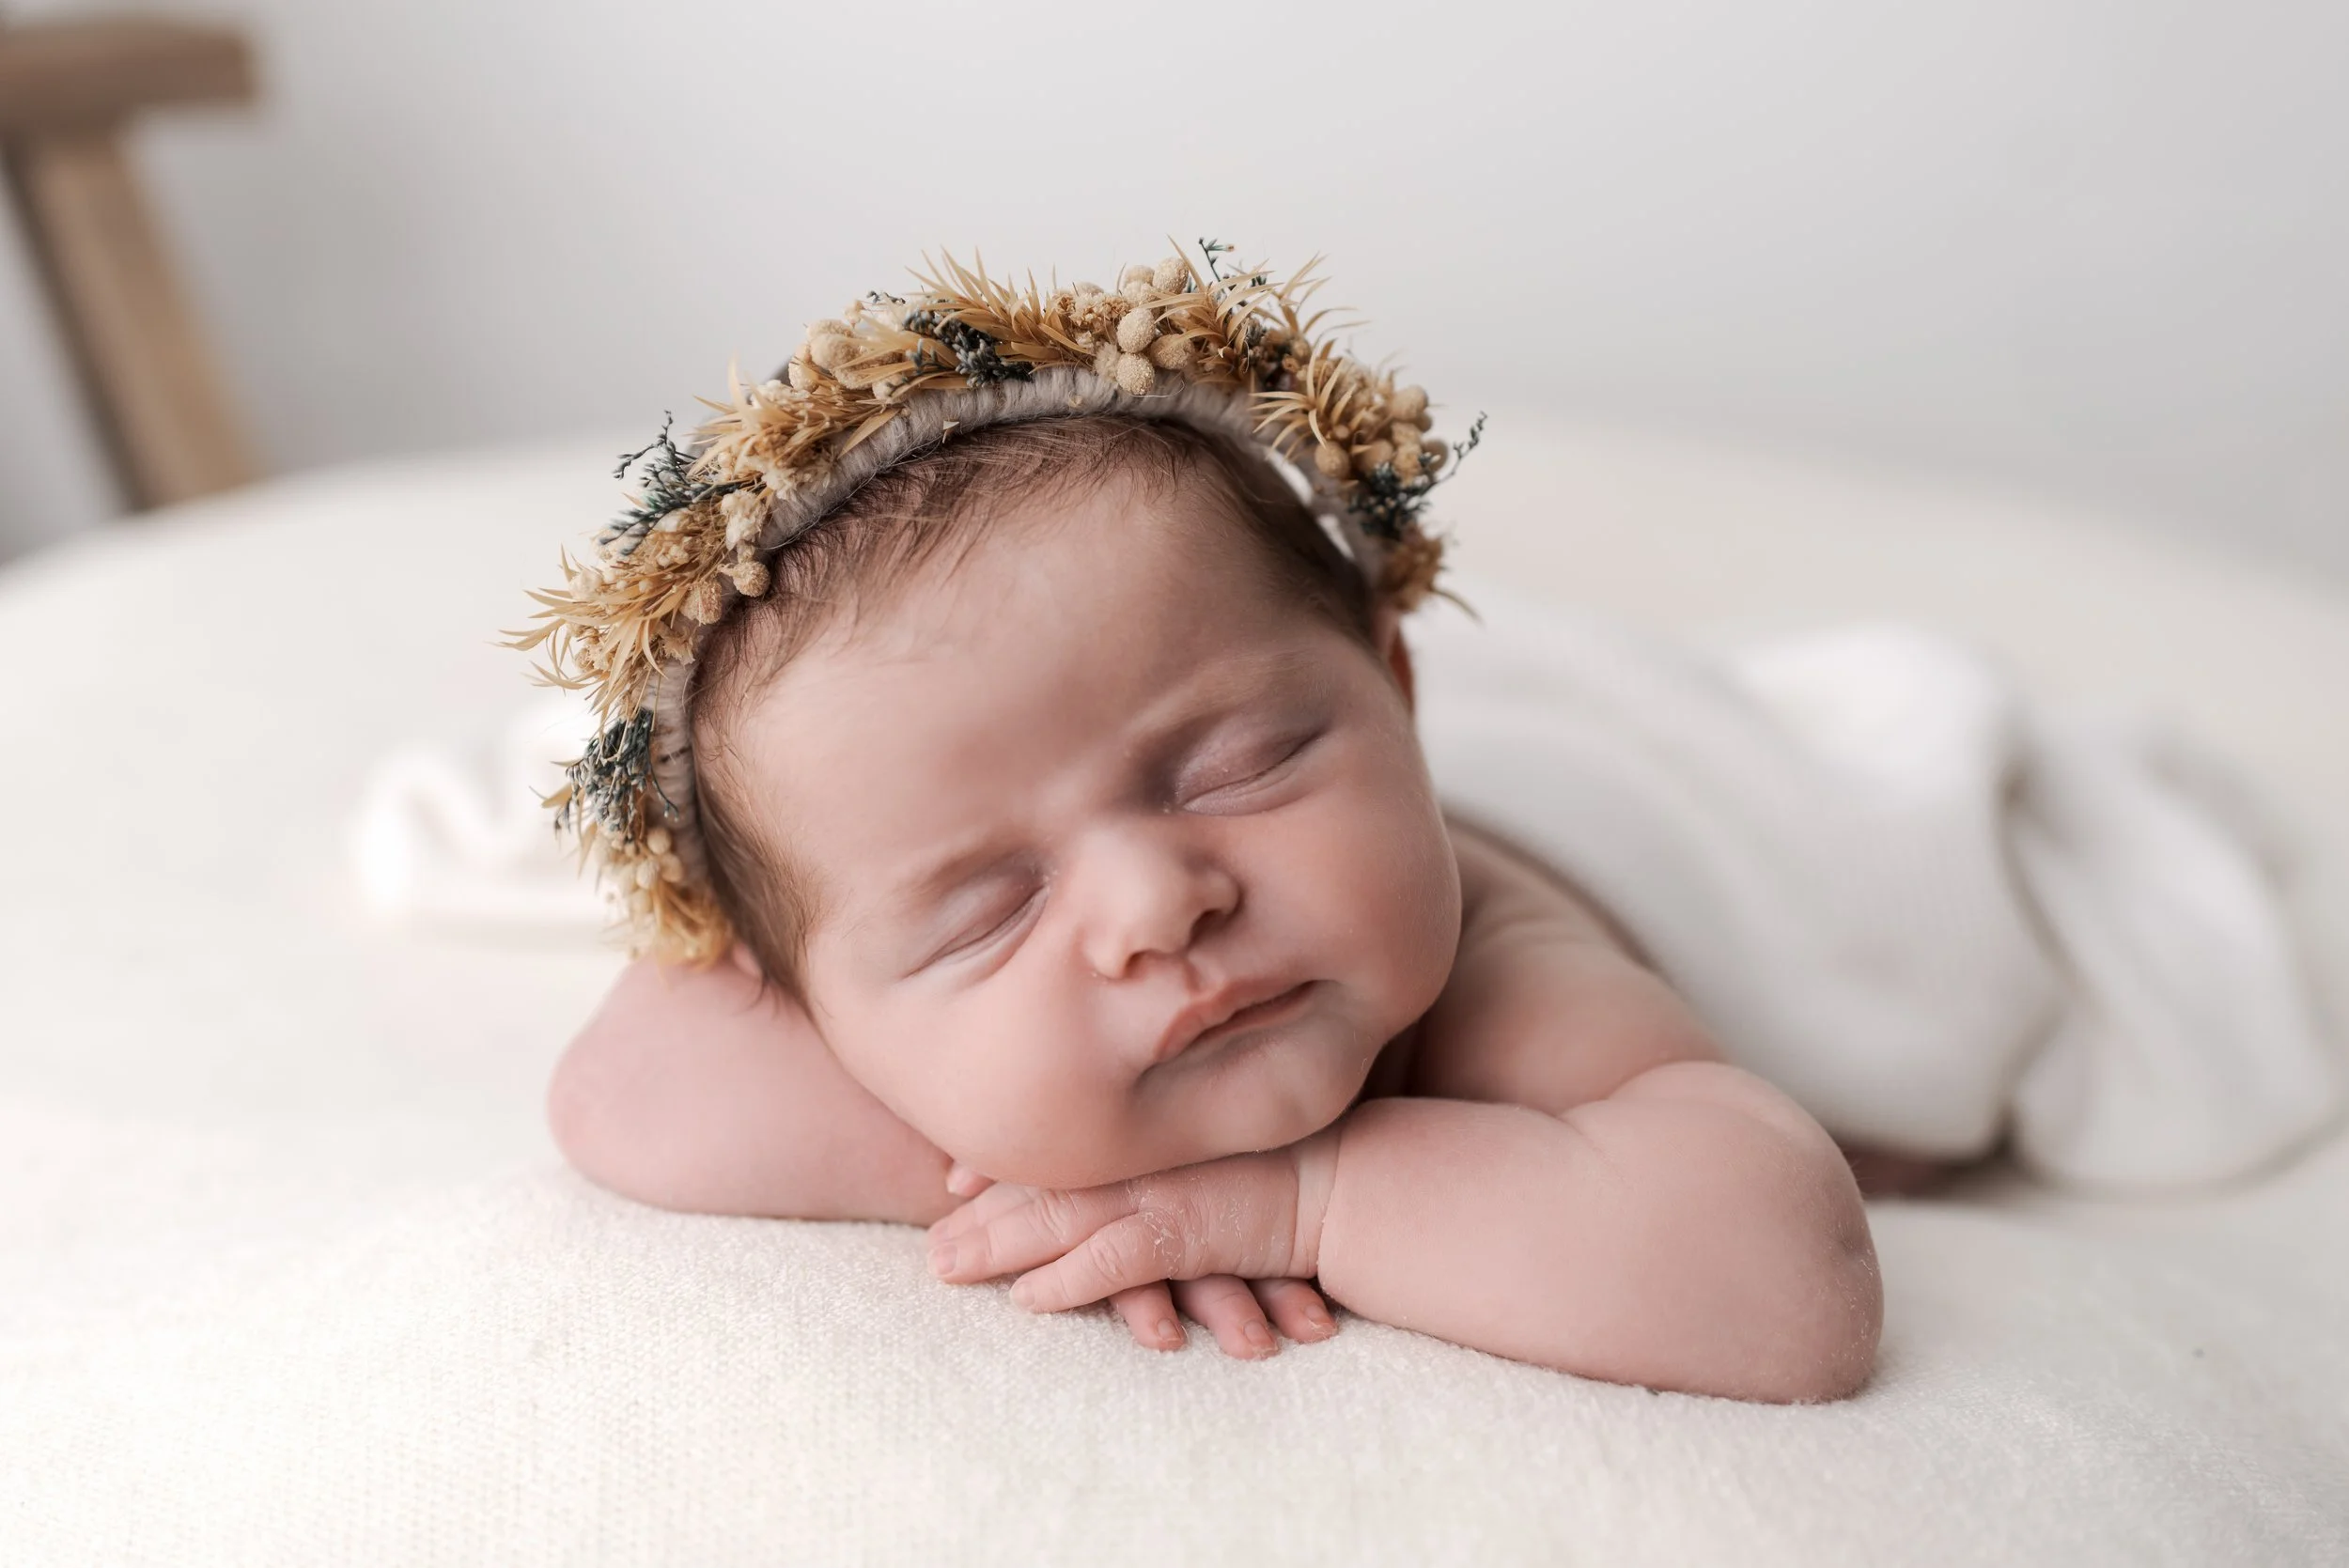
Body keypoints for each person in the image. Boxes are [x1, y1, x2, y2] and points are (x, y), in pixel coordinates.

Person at [522, 248, 1885, 1403]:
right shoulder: (819, 944)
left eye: (1240, 766)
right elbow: (621, 1091)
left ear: (1397, 693)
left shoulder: (1502, 971)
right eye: (987, 909)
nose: (1156, 905)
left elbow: (1787, 1280)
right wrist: (1046, 1169)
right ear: (800, 1000)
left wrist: (1300, 1201)